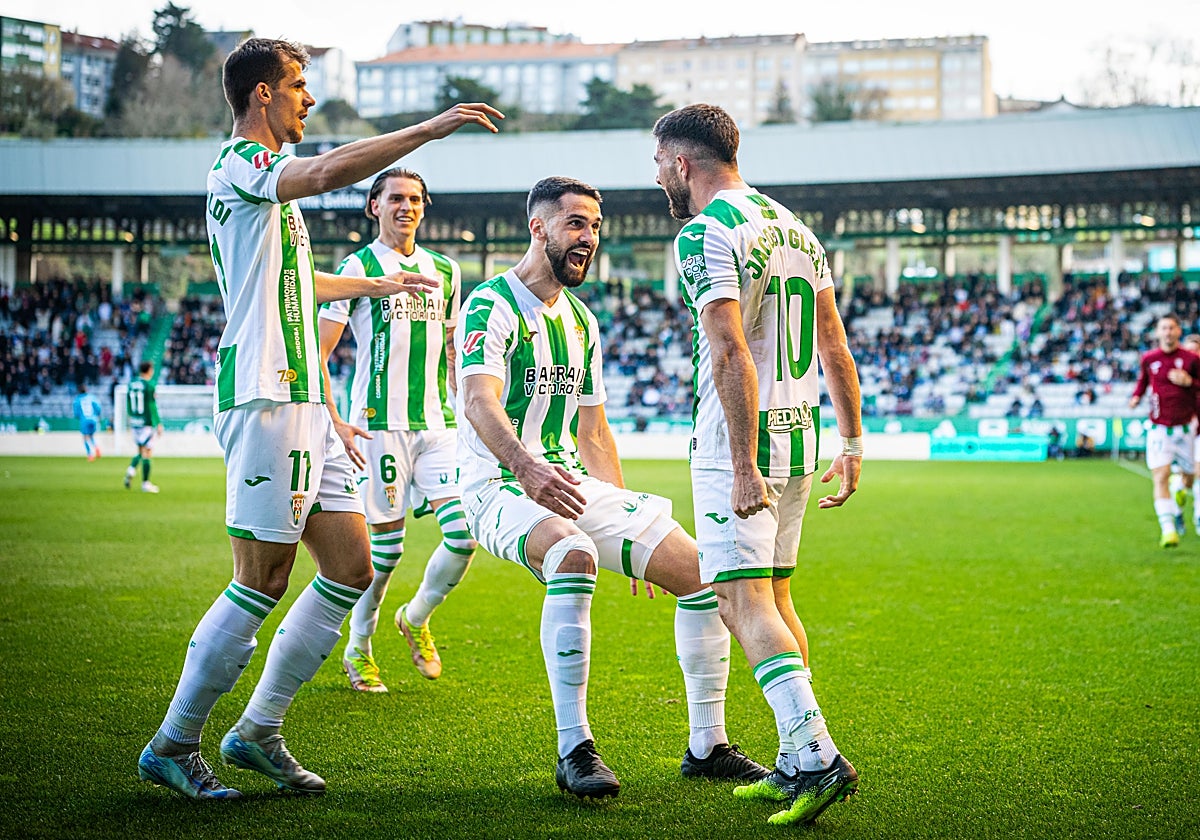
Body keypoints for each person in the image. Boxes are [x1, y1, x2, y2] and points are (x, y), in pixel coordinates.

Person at [137, 36, 502, 801]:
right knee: (262, 578)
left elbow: (298, 278)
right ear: (261, 95)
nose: (308, 98)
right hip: (267, 396)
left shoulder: (269, 191)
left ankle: (258, 729)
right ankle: (174, 741)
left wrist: (375, 287)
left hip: (308, 401)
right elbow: (334, 170)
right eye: (299, 85)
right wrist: (428, 130)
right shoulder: (243, 165)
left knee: (351, 568)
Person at [457, 176, 768, 802]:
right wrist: (525, 468)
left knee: (707, 574)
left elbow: (594, 430)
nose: (588, 238)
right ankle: (575, 749)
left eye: (595, 226)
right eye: (575, 224)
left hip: (568, 483)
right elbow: (477, 401)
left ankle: (707, 746)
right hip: (496, 484)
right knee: (574, 554)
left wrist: (629, 525)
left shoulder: (581, 321)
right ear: (538, 227)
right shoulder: (490, 304)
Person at [652, 104, 863, 827]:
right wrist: (853, 442)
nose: (658, 179)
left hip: (742, 445)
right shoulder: (798, 230)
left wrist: (741, 463)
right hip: (803, 438)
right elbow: (835, 345)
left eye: (658, 165)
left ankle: (820, 755)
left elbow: (728, 350)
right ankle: (795, 758)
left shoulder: (706, 232)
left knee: (738, 601)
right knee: (774, 599)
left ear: (683, 163)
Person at [318, 168, 477, 692]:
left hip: (439, 424)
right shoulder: (356, 267)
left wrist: (468, 407)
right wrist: (337, 418)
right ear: (374, 207)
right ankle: (359, 647)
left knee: (464, 533)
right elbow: (320, 350)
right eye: (395, 199)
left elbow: (453, 350)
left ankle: (415, 617)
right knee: (383, 555)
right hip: (377, 427)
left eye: (414, 199)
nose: (406, 207)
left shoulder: (446, 272)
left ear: (424, 208)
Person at [1128, 314, 1200, 548]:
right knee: (1160, 475)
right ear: (1158, 332)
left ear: (1179, 331)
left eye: (1172, 327)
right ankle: (1168, 529)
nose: (1168, 332)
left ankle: (1181, 487)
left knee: (1191, 476)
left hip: (1186, 428)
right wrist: (1136, 396)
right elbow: (1143, 382)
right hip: (1159, 429)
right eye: (1163, 328)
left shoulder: (1191, 359)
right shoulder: (1149, 359)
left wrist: (1189, 382)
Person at [1166, 332, 1200, 535]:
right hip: (1181, 433)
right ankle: (1178, 509)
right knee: (1186, 479)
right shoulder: (1175, 376)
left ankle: (1198, 516)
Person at [124, 361, 163, 493]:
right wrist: (158, 423)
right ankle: (145, 483)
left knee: (141, 450)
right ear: (149, 370)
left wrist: (130, 419)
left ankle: (132, 470)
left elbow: (128, 404)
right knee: (147, 452)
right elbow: (152, 405)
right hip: (146, 422)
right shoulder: (149, 385)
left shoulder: (131, 384)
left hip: (135, 422)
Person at [72, 382, 104, 461]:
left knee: (85, 437)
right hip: (93, 419)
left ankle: (90, 455)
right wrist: (98, 416)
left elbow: (76, 413)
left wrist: (80, 416)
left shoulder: (77, 400)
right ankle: (96, 447)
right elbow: (98, 407)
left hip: (84, 419)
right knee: (91, 435)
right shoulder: (92, 397)